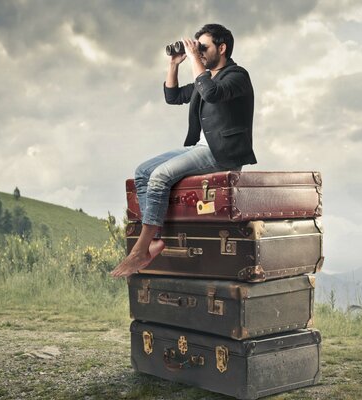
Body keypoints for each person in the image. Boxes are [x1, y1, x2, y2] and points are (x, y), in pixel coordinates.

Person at [110, 23, 256, 278]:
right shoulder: (205, 79)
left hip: (222, 153)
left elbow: (212, 93)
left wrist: (193, 59)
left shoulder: (237, 76)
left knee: (160, 176)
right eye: (196, 47)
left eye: (204, 48)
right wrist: (174, 64)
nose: (198, 52)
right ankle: (154, 238)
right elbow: (173, 96)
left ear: (222, 48)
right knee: (143, 172)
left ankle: (141, 249)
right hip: (201, 149)